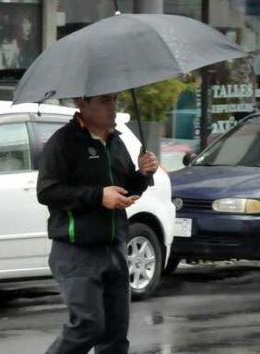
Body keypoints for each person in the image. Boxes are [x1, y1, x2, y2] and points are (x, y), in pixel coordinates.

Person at [37, 93, 158, 354]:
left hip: (114, 247)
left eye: (114, 100)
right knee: (88, 326)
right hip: (77, 250)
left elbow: (125, 188)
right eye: (105, 101)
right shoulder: (63, 142)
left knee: (115, 336)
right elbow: (47, 192)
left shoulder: (116, 142)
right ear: (82, 103)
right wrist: (98, 195)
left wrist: (142, 174)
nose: (113, 107)